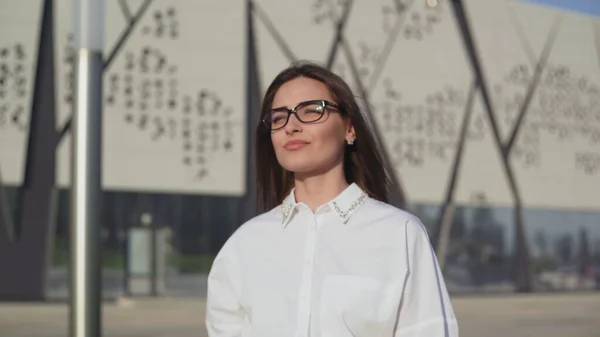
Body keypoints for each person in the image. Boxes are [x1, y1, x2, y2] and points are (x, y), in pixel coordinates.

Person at [205, 61, 458, 337]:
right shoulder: (244, 245)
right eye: (279, 118)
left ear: (349, 128)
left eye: (311, 111)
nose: (291, 126)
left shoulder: (400, 234)